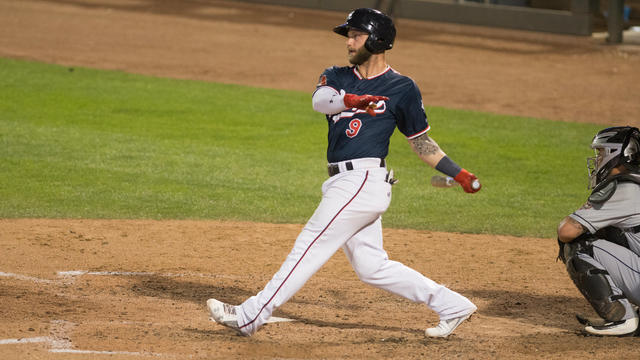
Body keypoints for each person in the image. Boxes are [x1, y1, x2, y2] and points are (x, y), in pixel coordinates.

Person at [207, 8, 481, 338]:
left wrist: (460, 173)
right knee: (372, 267)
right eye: (348, 35)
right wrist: (352, 99)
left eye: (355, 35)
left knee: (310, 244)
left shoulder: (402, 87)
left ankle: (251, 315)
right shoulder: (337, 75)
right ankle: (452, 304)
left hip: (363, 181)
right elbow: (321, 101)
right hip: (343, 181)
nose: (349, 41)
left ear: (377, 40)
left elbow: (420, 142)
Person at [557, 126, 640, 336]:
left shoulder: (624, 189)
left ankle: (622, 319)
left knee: (579, 244)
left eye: (601, 153)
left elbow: (567, 231)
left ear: (618, 155)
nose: (597, 159)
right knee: (612, 232)